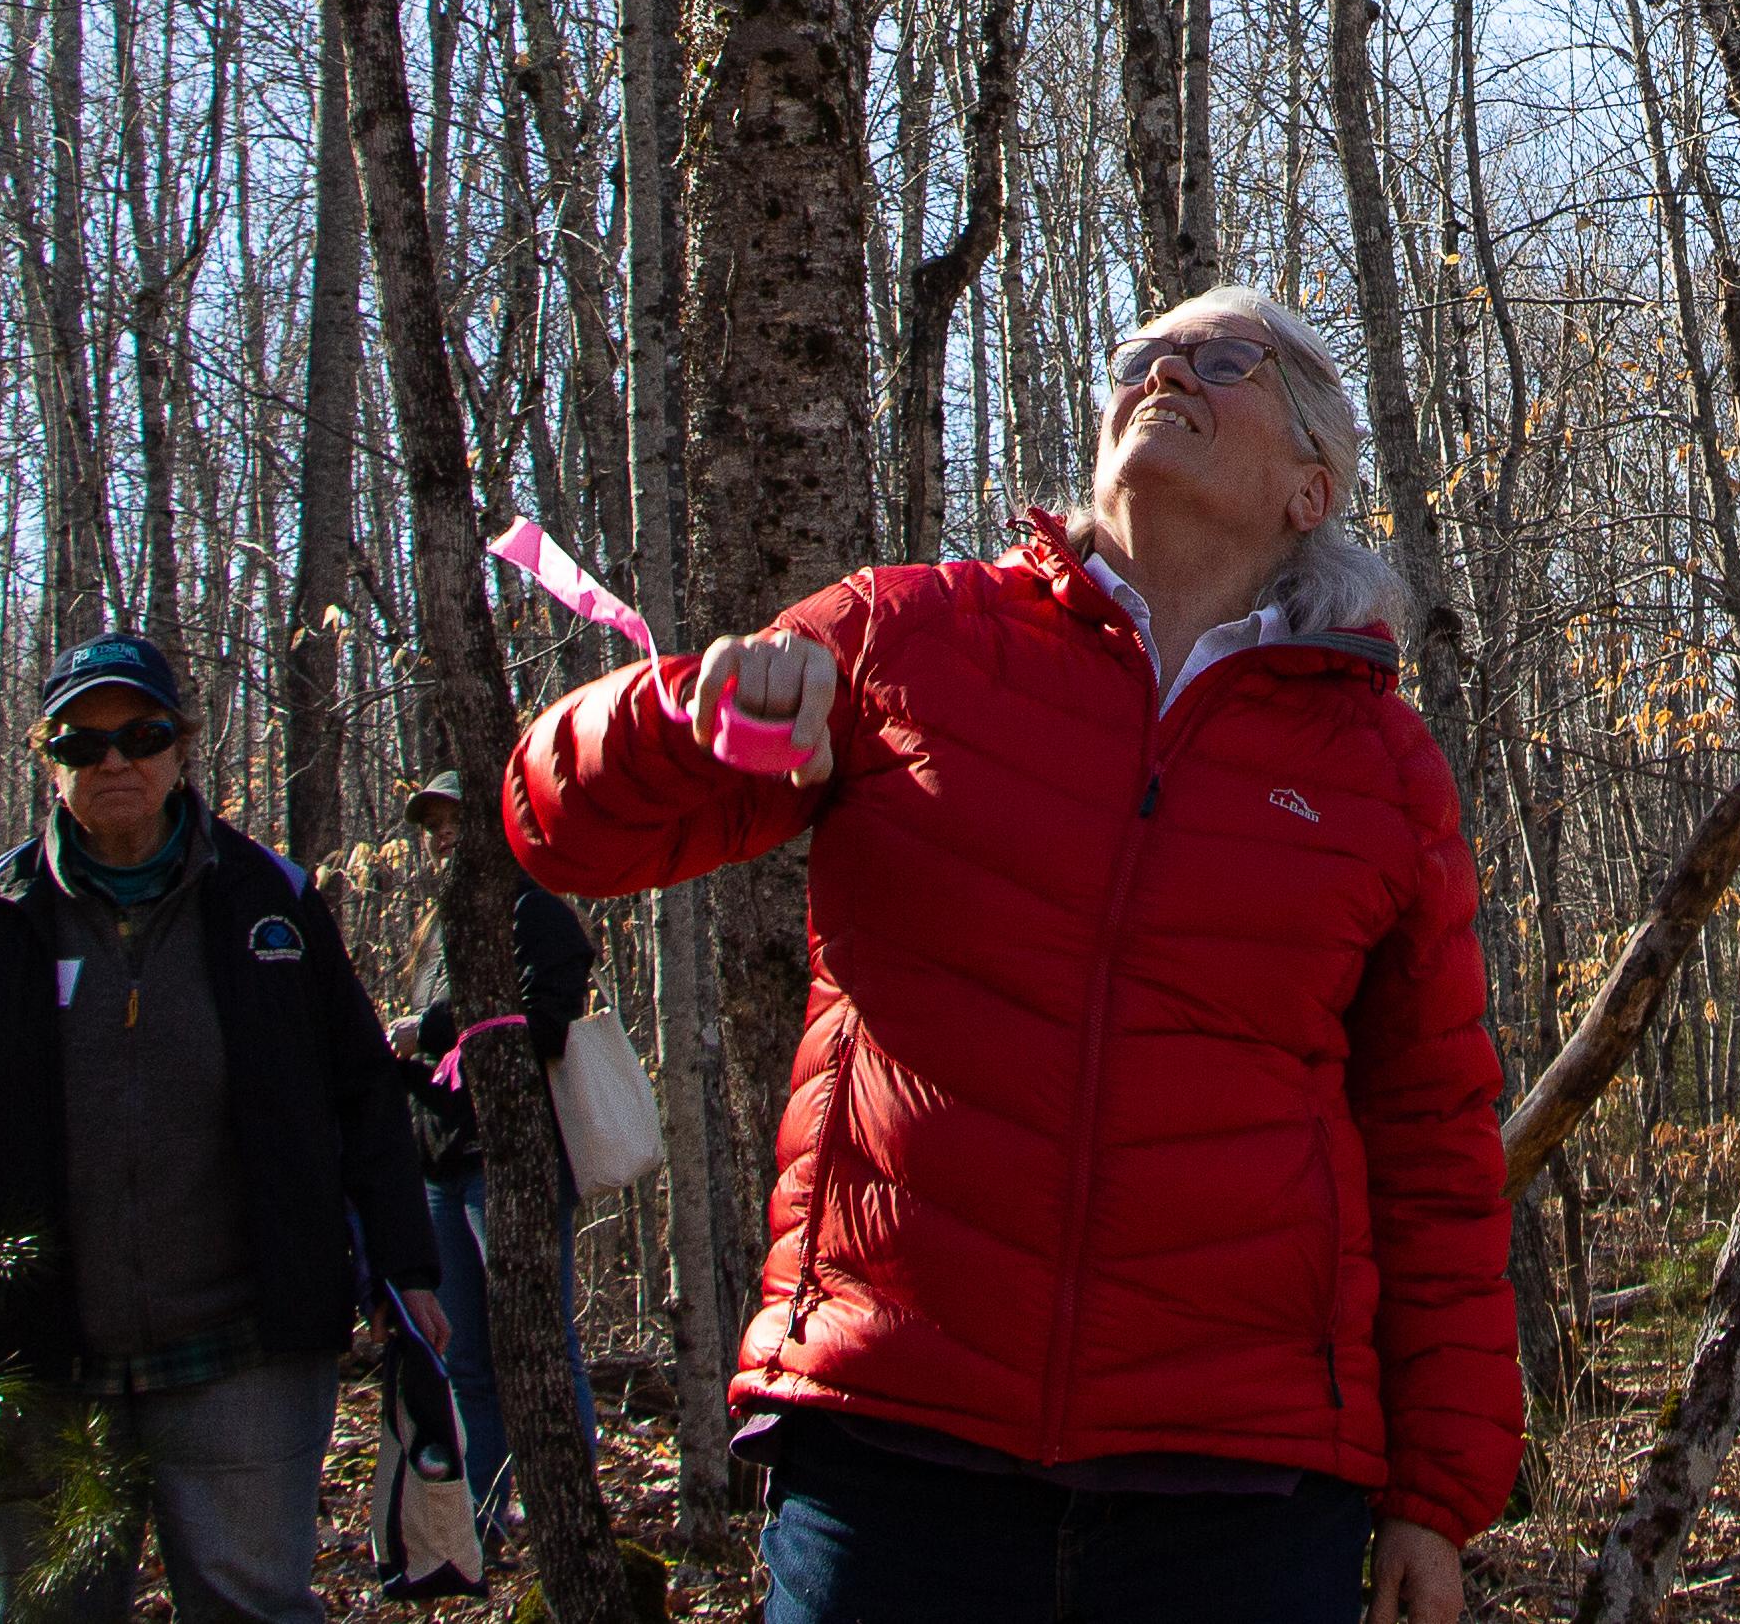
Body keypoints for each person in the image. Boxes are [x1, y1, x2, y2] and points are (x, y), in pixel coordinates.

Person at [505, 286, 1521, 1624]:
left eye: (1227, 361)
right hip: (892, 1442)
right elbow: (560, 826)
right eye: (1145, 354)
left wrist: (1432, 1498)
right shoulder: (909, 636)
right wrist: (690, 718)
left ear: (1309, 487)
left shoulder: (1379, 767)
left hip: (1239, 1486)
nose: (1169, 372)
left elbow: (1430, 1143)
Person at [0, 632, 447, 1624]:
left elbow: (362, 1096)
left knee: (253, 1604)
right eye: (84, 744)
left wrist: (404, 1263)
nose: (115, 759)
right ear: (50, 760)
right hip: (37, 1359)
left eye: (141, 733)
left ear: (180, 749)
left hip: (245, 1347)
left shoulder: (274, 905)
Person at [396, 767, 601, 1540]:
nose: (443, 833)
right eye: (434, 822)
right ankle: (485, 1520)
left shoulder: (538, 911)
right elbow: (445, 1053)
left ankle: (570, 1517)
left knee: (544, 1343)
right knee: (469, 1360)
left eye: (456, 817)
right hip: (443, 1164)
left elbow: (546, 1024)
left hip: (511, 1162)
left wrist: (437, 1028)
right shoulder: (435, 928)